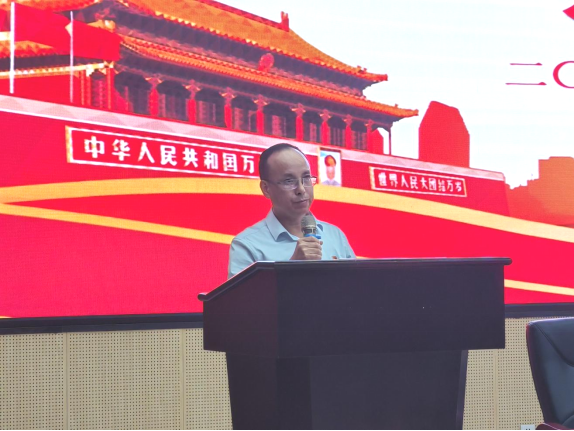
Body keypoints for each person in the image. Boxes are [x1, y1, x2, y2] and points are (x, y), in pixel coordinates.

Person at [228, 143, 355, 278]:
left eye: (306, 178)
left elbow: (358, 286)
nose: (301, 189)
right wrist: (292, 267)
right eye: (289, 181)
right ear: (266, 189)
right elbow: (245, 293)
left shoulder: (335, 235)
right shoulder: (247, 245)